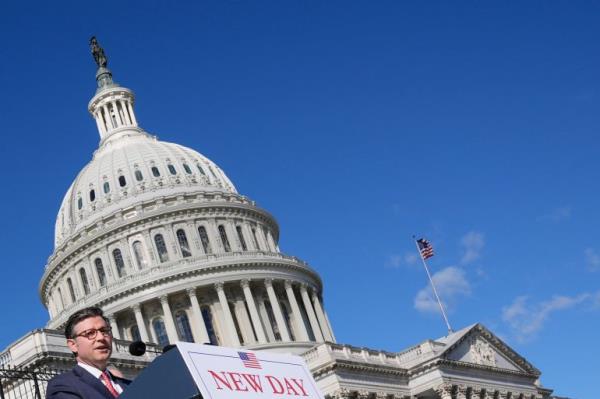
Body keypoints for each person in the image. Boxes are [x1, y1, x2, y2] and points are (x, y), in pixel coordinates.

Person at [46, 306, 130, 398]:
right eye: (90, 333)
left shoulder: (127, 384)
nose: (101, 337)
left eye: (104, 331)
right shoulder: (62, 385)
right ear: (73, 345)